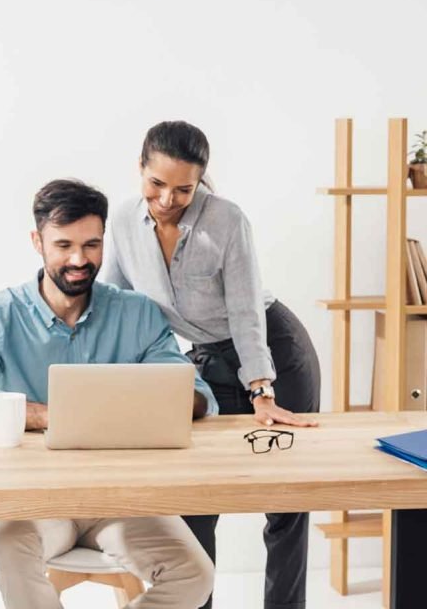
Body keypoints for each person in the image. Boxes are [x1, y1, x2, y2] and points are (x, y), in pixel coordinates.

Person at [0, 178, 217, 609]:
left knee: (195, 574)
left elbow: (197, 395)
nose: (78, 259)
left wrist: (164, 400)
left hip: (123, 498)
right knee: (8, 544)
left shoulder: (136, 313)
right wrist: (53, 415)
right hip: (36, 499)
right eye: (64, 244)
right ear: (38, 241)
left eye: (91, 245)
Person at [101, 120, 321, 609]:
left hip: (274, 350)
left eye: (183, 189)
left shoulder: (226, 220)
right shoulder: (121, 222)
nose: (166, 199)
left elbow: (246, 311)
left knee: (286, 502)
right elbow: (115, 303)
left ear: (201, 181)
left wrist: (262, 390)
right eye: (156, 184)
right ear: (140, 167)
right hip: (204, 359)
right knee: (195, 500)